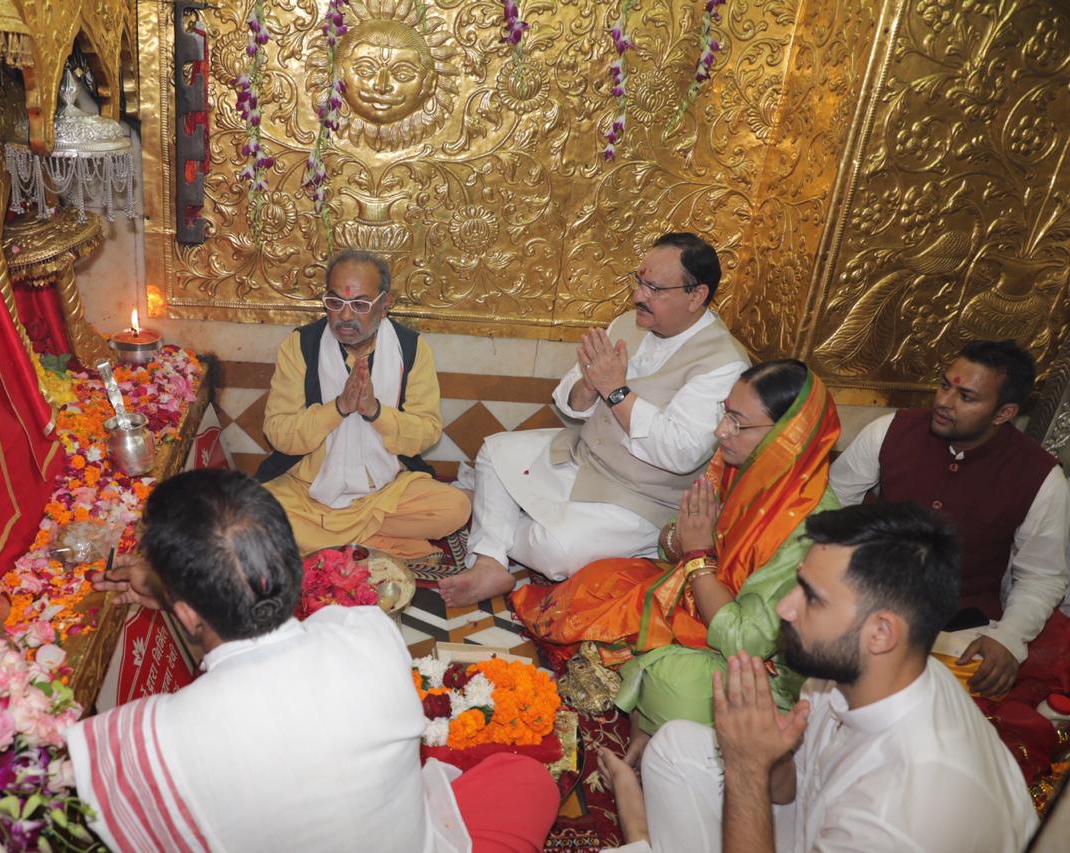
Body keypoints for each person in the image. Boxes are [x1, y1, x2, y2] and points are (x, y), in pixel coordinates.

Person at [68, 469, 559, 852]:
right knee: (528, 780)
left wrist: (171, 588)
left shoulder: (146, 736)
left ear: (187, 613)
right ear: (290, 561)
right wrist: (173, 593)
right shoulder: (367, 632)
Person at [600, 503, 1039, 853]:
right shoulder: (852, 673)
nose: (785, 609)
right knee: (674, 745)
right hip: (822, 821)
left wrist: (747, 771)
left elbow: (796, 794)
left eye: (811, 598)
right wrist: (767, 752)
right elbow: (794, 788)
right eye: (798, 585)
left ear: (882, 632)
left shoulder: (900, 811)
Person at [511, 360, 840, 744]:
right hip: (700, 598)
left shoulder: (811, 527)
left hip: (756, 666)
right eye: (725, 414)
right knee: (598, 580)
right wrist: (683, 542)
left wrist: (699, 555)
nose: (721, 431)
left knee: (668, 683)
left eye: (738, 422)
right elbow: (677, 540)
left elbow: (744, 641)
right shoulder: (745, 468)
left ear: (789, 435)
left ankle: (656, 695)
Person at [441, 232, 750, 607]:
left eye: (654, 288)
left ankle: (496, 514)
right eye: (639, 281)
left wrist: (616, 390)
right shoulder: (627, 323)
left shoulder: (724, 363)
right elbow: (568, 400)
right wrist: (588, 387)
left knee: (554, 553)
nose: (639, 296)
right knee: (494, 451)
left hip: (640, 495)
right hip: (583, 456)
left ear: (696, 296)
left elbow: (680, 452)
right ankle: (491, 560)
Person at [829, 339, 1069, 699]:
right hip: (862, 602)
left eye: (966, 397)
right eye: (944, 385)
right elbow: (831, 509)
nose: (943, 401)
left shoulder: (1041, 477)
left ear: (1003, 413)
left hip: (959, 629)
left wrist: (1008, 639)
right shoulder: (889, 431)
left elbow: (1041, 576)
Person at [257, 248, 470, 558]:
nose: (344, 316)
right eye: (335, 302)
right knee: (252, 515)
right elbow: (279, 433)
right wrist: (339, 408)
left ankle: (323, 542)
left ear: (385, 304)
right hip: (307, 492)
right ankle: (376, 543)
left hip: (385, 492)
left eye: (359, 304)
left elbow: (426, 433)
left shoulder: (412, 349)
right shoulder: (300, 346)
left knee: (455, 507)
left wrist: (375, 411)